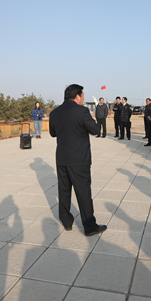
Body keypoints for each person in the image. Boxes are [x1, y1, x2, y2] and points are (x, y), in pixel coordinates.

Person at [49, 84, 107, 236]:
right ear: (77, 97)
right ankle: (89, 226)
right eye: (82, 96)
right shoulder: (82, 111)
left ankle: (67, 222)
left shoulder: (55, 112)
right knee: (83, 193)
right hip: (79, 159)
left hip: (61, 158)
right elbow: (95, 130)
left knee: (64, 190)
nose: (83, 99)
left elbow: (53, 133)